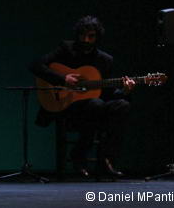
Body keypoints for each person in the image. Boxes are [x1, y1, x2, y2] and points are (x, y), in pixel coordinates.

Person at [29, 16, 133, 179]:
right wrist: (63, 79)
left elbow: (106, 93)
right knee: (96, 104)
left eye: (90, 36)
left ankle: (106, 159)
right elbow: (36, 65)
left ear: (97, 37)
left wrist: (125, 90)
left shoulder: (105, 60)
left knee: (122, 105)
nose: (86, 40)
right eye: (82, 36)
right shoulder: (66, 49)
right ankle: (80, 154)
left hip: (92, 108)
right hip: (66, 107)